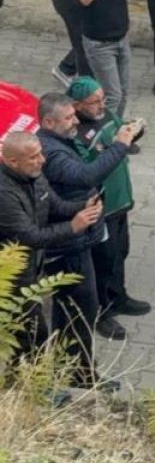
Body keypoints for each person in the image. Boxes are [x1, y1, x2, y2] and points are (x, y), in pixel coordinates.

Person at [0, 131, 105, 384]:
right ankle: (26, 388)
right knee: (31, 337)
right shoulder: (4, 194)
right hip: (10, 277)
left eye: (40, 154)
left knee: (32, 336)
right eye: (33, 157)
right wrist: (73, 227)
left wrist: (83, 207)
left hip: (30, 270)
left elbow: (55, 206)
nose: (42, 160)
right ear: (12, 161)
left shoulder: (34, 175)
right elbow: (30, 236)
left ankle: (32, 386)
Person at [37, 91, 143, 340]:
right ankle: (78, 359)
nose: (75, 121)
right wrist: (119, 145)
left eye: (74, 115)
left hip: (80, 232)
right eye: (68, 117)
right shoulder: (52, 153)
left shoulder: (61, 140)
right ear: (48, 122)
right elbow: (86, 176)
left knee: (78, 304)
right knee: (78, 309)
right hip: (68, 244)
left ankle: (78, 355)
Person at [68, 78, 152, 325]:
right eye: (94, 102)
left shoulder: (104, 114)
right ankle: (101, 312)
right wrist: (116, 145)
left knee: (120, 252)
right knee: (103, 260)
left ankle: (118, 297)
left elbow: (121, 135)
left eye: (102, 98)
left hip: (121, 199)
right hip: (101, 207)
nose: (102, 105)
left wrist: (133, 131)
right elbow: (89, 171)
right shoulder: (75, 135)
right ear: (77, 105)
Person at [68, 0, 153, 119]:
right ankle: (106, 132)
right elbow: (78, 2)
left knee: (123, 93)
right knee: (112, 96)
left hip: (122, 39)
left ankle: (117, 129)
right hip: (99, 44)